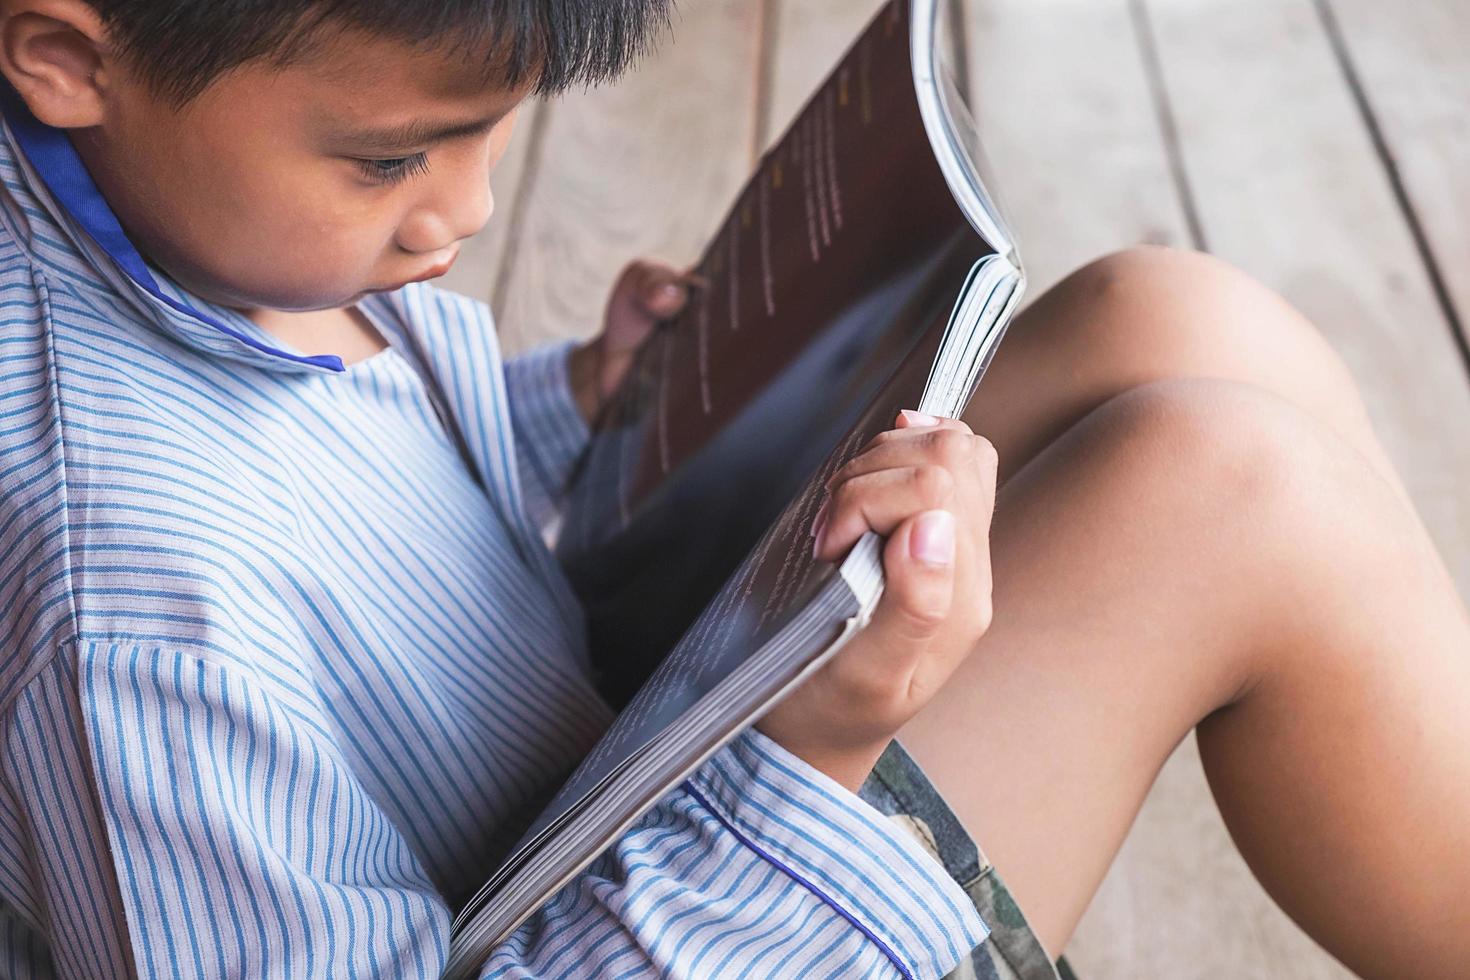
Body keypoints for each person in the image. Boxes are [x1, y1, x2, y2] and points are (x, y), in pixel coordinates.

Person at [0, 2, 1463, 980]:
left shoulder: (185, 222)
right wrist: (815, 749)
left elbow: (347, 500)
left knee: (1173, 314)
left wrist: (576, 404)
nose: (468, 212)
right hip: (659, 917)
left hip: (586, 759)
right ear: (65, 54)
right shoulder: (128, 616)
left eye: (494, 132)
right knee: (1231, 494)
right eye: (391, 157)